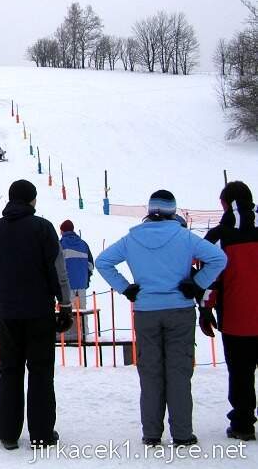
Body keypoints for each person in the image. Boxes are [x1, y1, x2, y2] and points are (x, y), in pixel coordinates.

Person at [96, 189, 227, 447]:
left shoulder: (131, 239)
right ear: (173, 211)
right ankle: (182, 433)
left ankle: (152, 433)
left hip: (146, 311)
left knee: (150, 371)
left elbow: (103, 262)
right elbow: (218, 258)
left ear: (149, 210)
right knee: (178, 371)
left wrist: (125, 288)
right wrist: (197, 283)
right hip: (180, 309)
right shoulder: (184, 237)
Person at [0, 179, 73, 450]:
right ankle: (41, 433)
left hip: (6, 313)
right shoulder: (43, 228)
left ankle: (8, 433)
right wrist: (64, 305)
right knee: (41, 371)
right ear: (32, 200)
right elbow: (58, 271)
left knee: (10, 370)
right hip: (39, 312)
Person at [201, 181, 258, 441]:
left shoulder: (219, 235)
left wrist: (205, 310)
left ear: (225, 203)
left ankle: (243, 424)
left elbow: (209, 278)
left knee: (241, 373)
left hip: (237, 318)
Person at [58, 220, 94, 340]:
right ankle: (84, 336)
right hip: (81, 285)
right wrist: (85, 278)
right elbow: (90, 265)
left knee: (68, 311)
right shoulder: (83, 244)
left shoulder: (60, 244)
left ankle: (71, 338)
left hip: (66, 286)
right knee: (83, 311)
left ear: (62, 231)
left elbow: (56, 265)